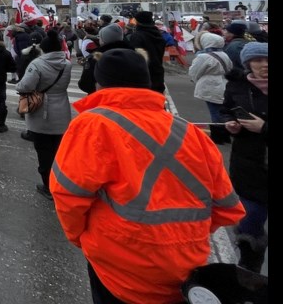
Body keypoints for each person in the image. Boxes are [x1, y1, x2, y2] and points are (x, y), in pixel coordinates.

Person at [50, 48, 245, 304]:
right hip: (187, 269)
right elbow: (228, 207)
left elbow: (68, 194)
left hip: (120, 266)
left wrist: (80, 237)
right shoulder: (190, 132)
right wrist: (182, 237)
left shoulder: (93, 125)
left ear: (100, 83)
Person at [220, 41, 269, 273]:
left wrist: (264, 128)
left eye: (267, 60)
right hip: (248, 167)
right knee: (249, 225)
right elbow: (226, 110)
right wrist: (229, 123)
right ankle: (250, 272)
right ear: (248, 63)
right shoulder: (236, 86)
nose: (264, 65)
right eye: (258, 60)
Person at [15, 30, 72, 200]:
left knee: (44, 152)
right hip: (62, 108)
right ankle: (61, 181)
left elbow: (24, 86)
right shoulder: (67, 64)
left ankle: (48, 186)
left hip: (42, 111)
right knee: (59, 150)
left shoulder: (37, 64)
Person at [188, 32, 233, 145]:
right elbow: (230, 68)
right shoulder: (224, 54)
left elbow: (194, 71)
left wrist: (195, 80)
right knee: (223, 110)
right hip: (223, 82)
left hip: (209, 85)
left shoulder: (203, 56)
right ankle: (226, 135)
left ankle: (217, 137)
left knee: (214, 112)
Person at [125, 11, 166, 93]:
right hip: (158, 72)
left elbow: (134, 57)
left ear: (139, 22)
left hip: (143, 75)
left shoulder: (137, 36)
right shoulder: (157, 34)